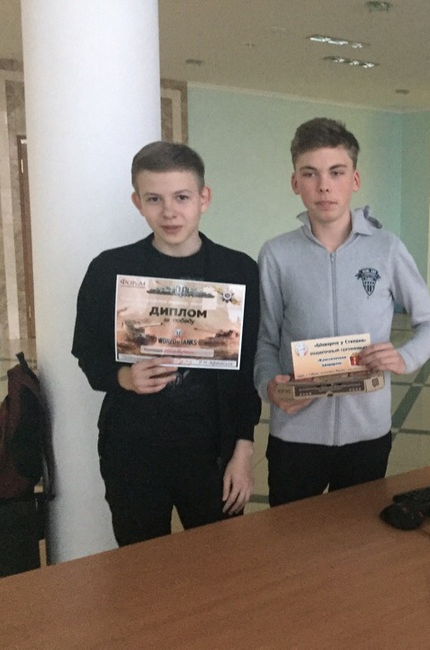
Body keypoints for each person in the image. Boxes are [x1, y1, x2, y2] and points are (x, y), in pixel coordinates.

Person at [72, 141, 261, 546]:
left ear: (204, 198)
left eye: (181, 197)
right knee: (141, 565)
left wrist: (243, 452)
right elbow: (87, 353)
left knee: (221, 559)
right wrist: (123, 377)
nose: (169, 212)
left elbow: (247, 370)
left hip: (214, 453)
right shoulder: (110, 270)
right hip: (133, 452)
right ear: (137, 202)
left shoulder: (238, 270)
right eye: (154, 199)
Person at [255, 117, 430, 506]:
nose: (323, 185)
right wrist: (268, 385)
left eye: (336, 172)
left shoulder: (387, 249)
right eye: (310, 173)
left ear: (354, 180)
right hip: (295, 434)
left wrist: (404, 357)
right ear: (295, 183)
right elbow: (266, 340)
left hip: (366, 433)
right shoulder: (276, 254)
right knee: (292, 535)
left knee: (359, 534)